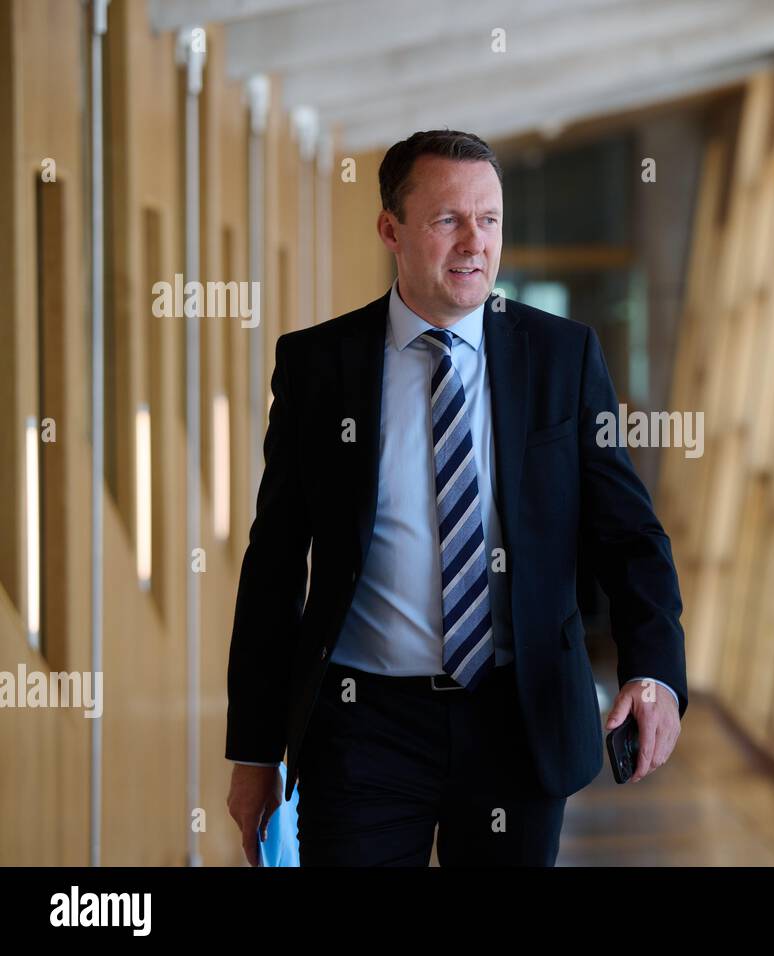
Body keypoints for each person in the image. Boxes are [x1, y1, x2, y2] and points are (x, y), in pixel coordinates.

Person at [224, 129, 688, 867]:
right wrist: (255, 751)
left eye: (490, 219)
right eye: (448, 220)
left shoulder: (561, 356)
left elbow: (628, 534)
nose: (475, 242)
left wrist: (654, 671)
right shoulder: (318, 366)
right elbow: (275, 563)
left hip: (518, 715)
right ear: (391, 230)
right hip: (362, 726)